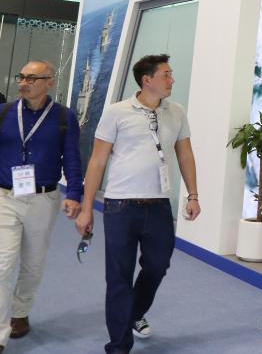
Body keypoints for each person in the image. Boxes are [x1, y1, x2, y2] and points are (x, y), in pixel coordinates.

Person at [75, 54, 200, 354]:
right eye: (166, 75)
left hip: (159, 206)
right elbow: (97, 161)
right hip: (120, 207)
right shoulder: (117, 112)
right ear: (147, 80)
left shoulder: (176, 112)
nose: (172, 80)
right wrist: (86, 207)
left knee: (158, 266)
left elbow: (185, 154)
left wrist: (193, 195)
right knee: (118, 276)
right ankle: (119, 346)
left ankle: (132, 313)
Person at [0, 61, 82, 347]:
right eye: (21, 77)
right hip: (5, 197)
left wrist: (75, 193)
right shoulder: (4, 112)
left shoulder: (63, 117)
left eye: (32, 78)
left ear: (49, 81)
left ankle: (20, 311)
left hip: (43, 199)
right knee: (2, 264)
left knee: (33, 264)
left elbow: (72, 157)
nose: (24, 83)